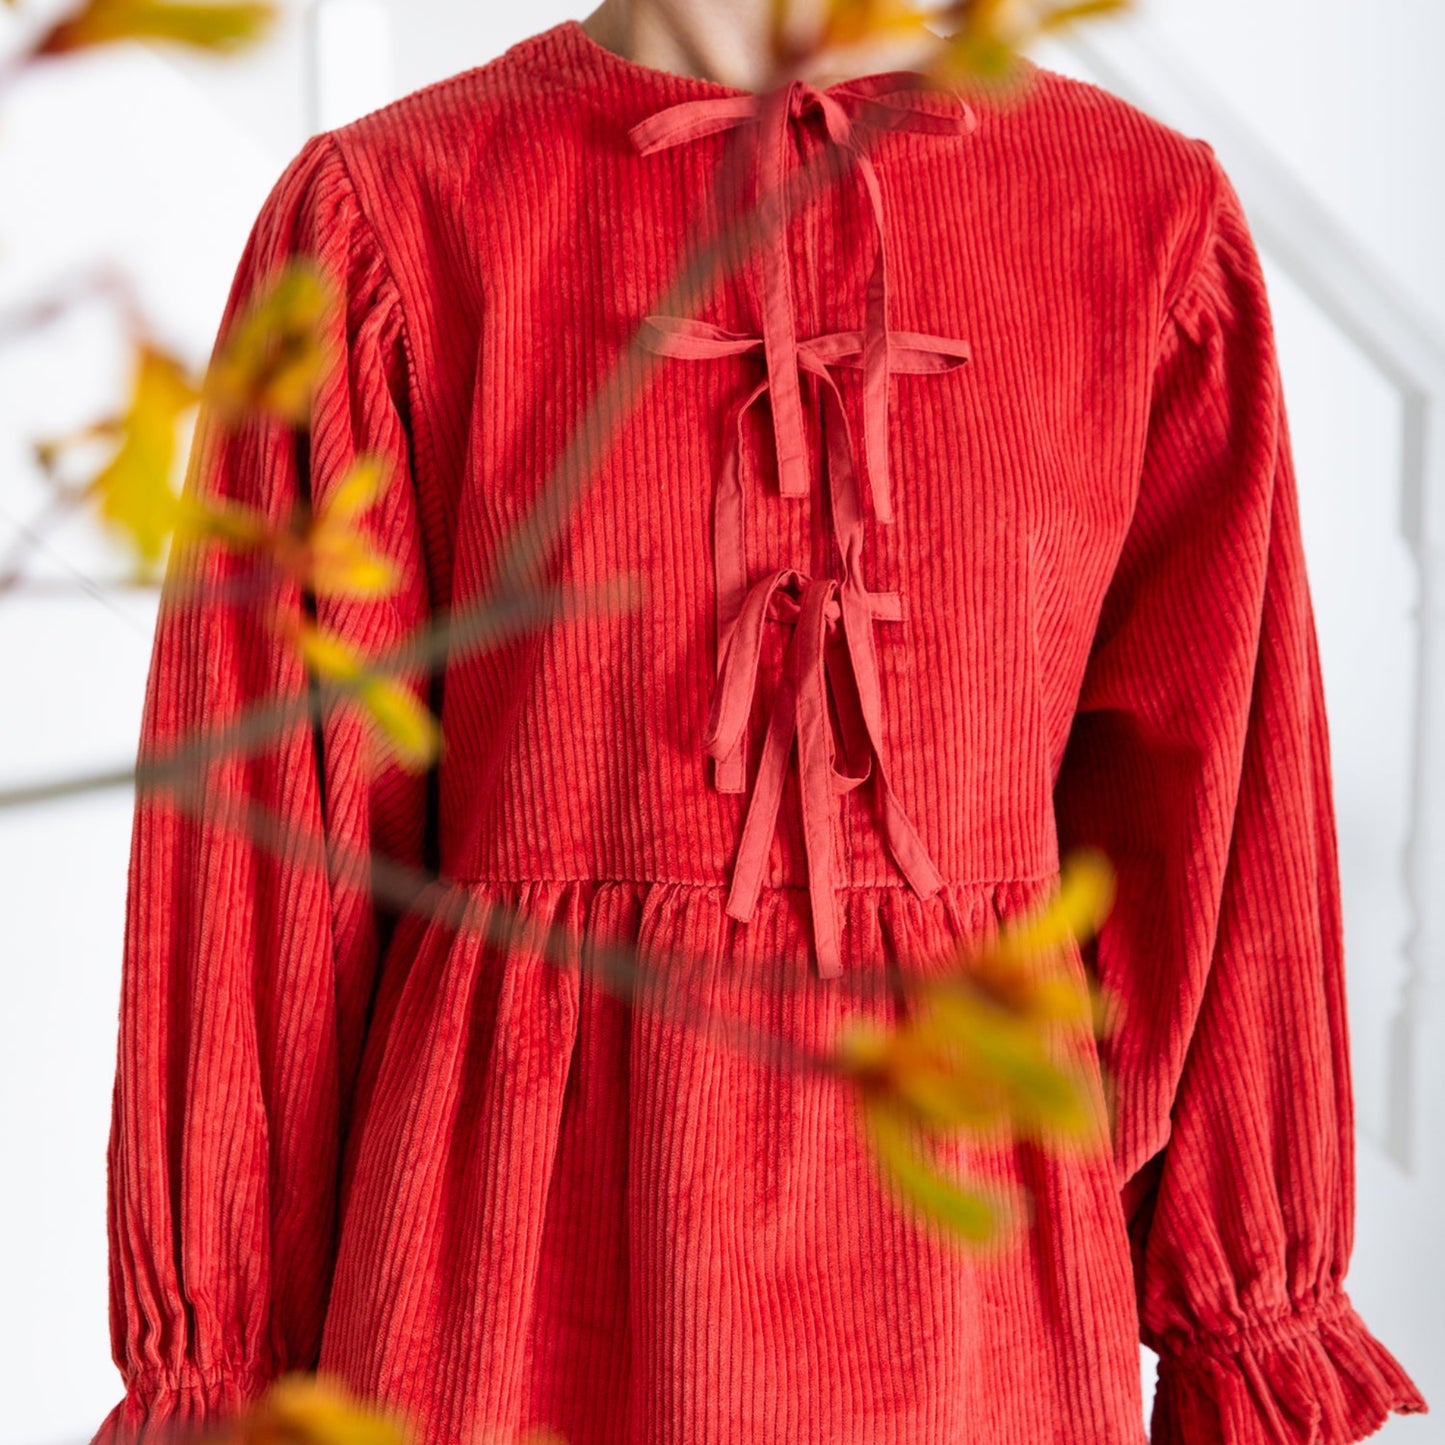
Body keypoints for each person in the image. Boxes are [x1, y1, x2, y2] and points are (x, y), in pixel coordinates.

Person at [91, 3, 1430, 1443]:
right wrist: (219, 1362)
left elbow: (1222, 831)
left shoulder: (1141, 224)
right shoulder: (391, 220)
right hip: (492, 1322)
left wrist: (1245, 1309)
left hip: (974, 1319)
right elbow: (265, 879)